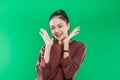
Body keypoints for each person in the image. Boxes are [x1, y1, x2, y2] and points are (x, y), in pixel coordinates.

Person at [36, 10, 86, 80]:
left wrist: (66, 44)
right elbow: (42, 76)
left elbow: (69, 74)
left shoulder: (79, 46)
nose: (56, 30)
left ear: (68, 26)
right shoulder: (46, 47)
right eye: (52, 28)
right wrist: (48, 47)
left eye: (60, 26)